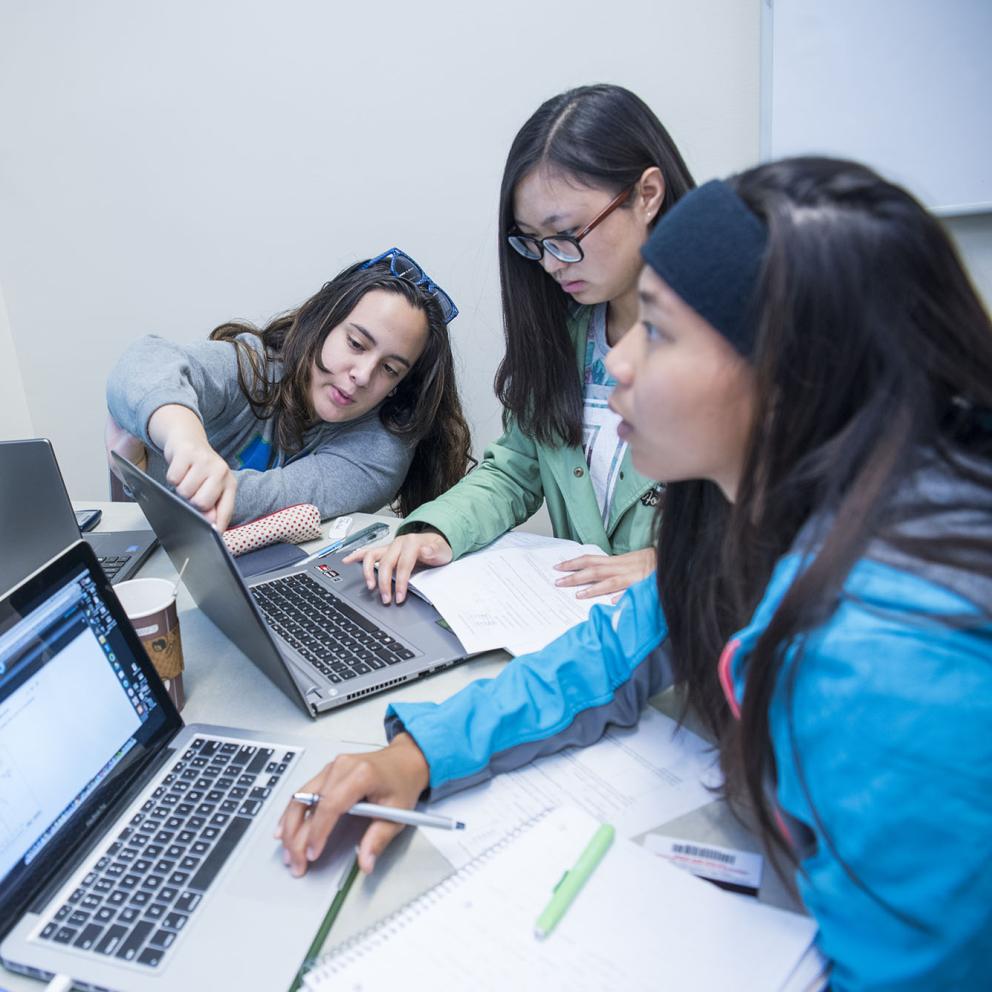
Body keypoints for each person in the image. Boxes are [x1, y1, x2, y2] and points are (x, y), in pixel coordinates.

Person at [277, 159, 992, 989]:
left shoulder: (892, 666)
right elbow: (612, 657)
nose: (615, 362)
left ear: (792, 377)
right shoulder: (756, 514)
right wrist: (420, 756)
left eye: (657, 329)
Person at [349, 84, 695, 605]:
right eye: (532, 242)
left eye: (567, 233)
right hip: (583, 630)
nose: (552, 262)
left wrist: (674, 565)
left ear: (647, 195)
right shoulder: (567, 334)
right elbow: (516, 468)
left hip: (695, 644)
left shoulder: (738, 342)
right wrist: (437, 530)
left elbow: (790, 512)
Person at [106, 249, 472, 530]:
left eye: (389, 369)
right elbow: (142, 363)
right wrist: (186, 443)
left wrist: (142, 469)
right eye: (357, 344)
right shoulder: (256, 367)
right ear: (322, 324)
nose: (362, 374)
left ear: (398, 387)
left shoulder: (379, 454)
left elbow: (267, 504)